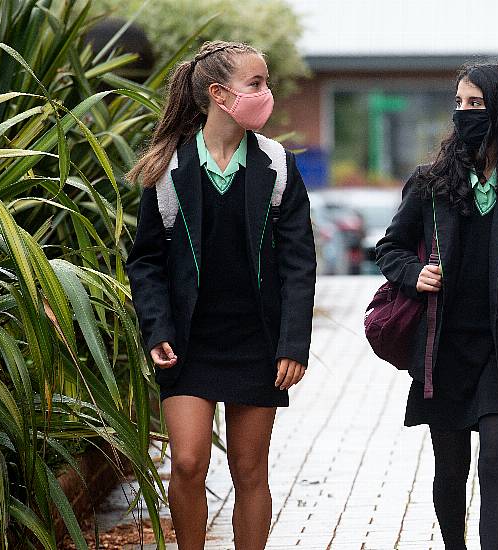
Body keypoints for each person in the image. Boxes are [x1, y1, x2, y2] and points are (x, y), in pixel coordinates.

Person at [376, 61, 498, 550]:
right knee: (450, 470)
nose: (465, 113)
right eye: (460, 103)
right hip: (442, 351)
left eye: (477, 104)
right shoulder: (431, 183)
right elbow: (389, 248)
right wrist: (413, 273)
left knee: (494, 462)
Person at [126, 40, 316, 550]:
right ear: (218, 94)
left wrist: (293, 343)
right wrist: (157, 328)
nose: (266, 93)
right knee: (187, 461)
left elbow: (299, 263)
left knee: (250, 471)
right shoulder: (167, 169)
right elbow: (145, 260)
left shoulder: (278, 166)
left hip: (257, 343)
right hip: (188, 343)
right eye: (255, 84)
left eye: (265, 82)